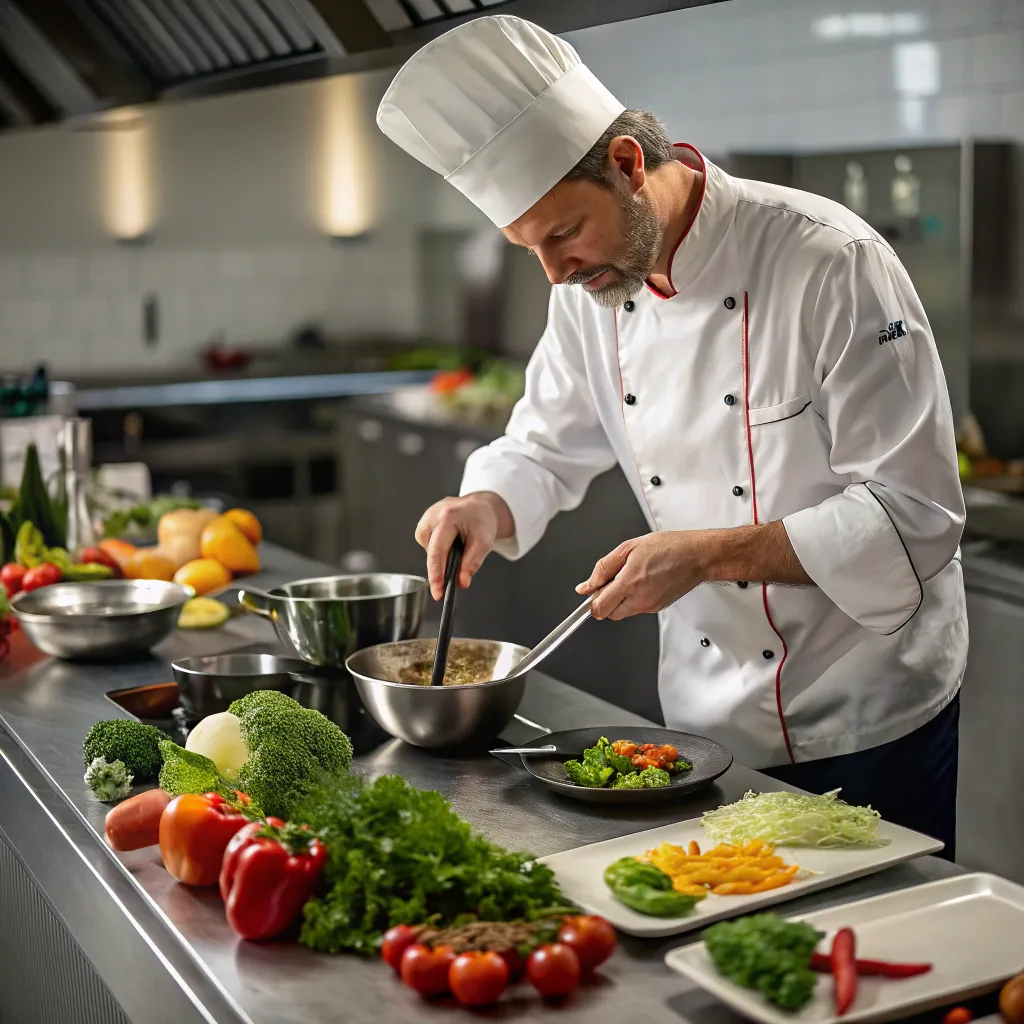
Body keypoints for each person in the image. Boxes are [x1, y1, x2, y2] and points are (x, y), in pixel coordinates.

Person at [376, 15, 967, 856]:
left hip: (863, 712)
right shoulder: (592, 289)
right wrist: (485, 503)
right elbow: (545, 441)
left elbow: (916, 515)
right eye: (527, 248)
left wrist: (703, 554)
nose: (553, 271)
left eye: (562, 233)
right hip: (702, 720)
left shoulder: (831, 262)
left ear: (626, 164)